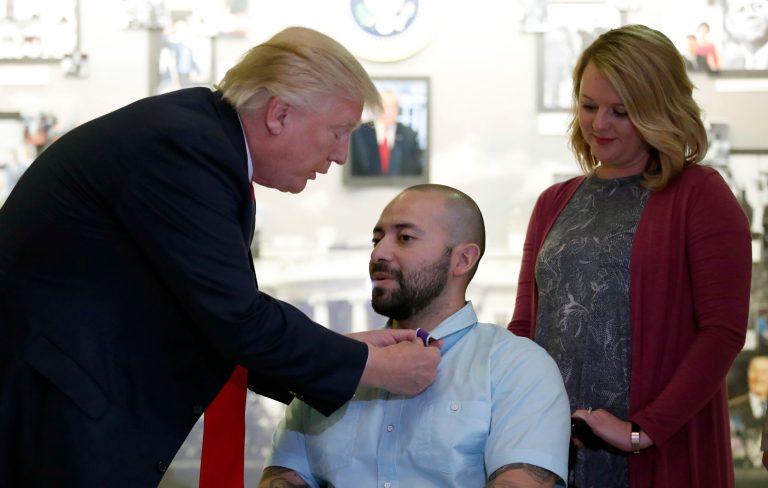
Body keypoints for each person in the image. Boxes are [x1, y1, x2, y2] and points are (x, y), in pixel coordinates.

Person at [0, 26, 442, 488]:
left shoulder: (201, 139)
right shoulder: (185, 148)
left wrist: (348, 353)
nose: (341, 156)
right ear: (280, 114)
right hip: (52, 418)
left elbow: (214, 315)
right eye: (337, 132)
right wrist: (373, 367)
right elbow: (235, 317)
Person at [508, 24, 752, 488]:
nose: (599, 124)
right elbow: (525, 329)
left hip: (657, 455)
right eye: (588, 106)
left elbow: (722, 333)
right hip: (552, 452)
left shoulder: (700, 195)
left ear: (659, 110)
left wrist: (642, 431)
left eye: (620, 111)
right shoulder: (554, 202)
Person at [259, 184, 571, 488]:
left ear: (462, 260)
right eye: (376, 239)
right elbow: (282, 477)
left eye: (405, 238)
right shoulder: (335, 363)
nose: (379, 253)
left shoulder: (518, 367)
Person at [349, 89, 424, 176]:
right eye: (385, 106)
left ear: (398, 110)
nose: (389, 111)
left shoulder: (409, 135)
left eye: (393, 106)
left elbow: (415, 170)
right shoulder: (360, 133)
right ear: (377, 108)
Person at [730, 355, 768, 469]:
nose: (759, 377)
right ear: (748, 375)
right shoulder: (730, 409)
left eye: (764, 372)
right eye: (754, 371)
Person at [721, 0, 768, 70]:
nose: (750, 14)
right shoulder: (728, 63)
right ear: (729, 23)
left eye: (758, 6)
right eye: (740, 10)